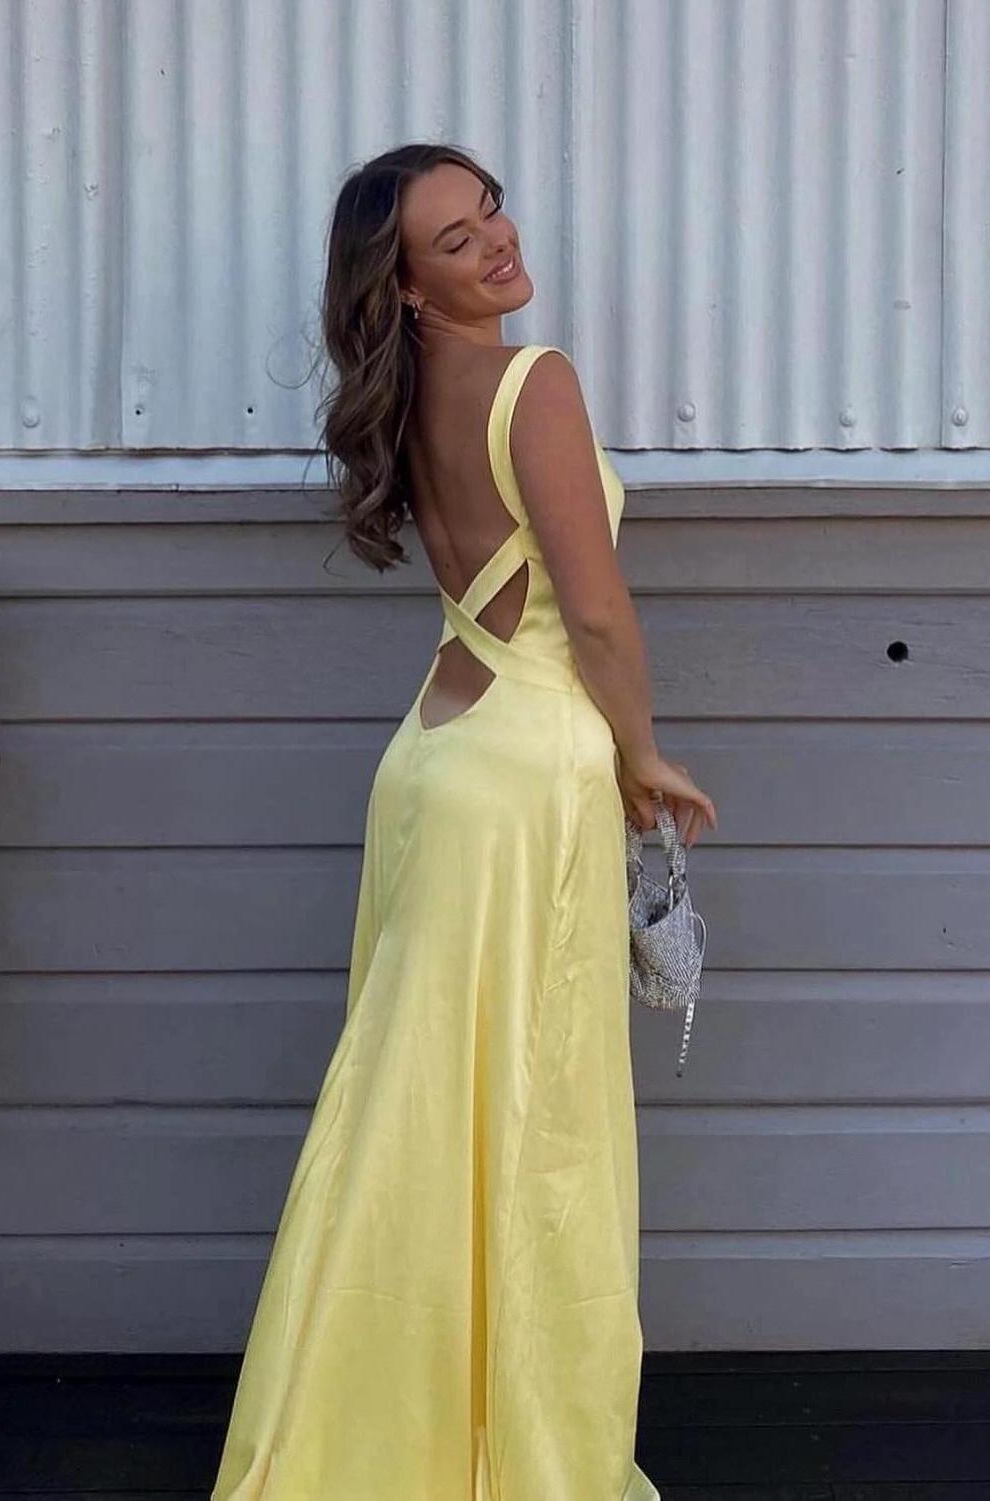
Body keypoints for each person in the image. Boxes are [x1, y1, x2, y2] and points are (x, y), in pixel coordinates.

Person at [210, 141, 718, 1501]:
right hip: (526, 774)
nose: (497, 240)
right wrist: (644, 755)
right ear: (408, 286)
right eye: (455, 239)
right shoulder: (531, 380)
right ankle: (509, 1459)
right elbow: (592, 609)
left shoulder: (418, 395)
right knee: (532, 1129)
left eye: (489, 210)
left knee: (409, 1112)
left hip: (435, 760)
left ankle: (361, 1445)